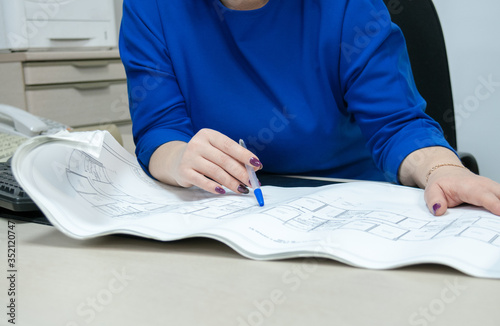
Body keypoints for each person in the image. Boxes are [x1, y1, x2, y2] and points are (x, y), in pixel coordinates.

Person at [119, 0, 500, 216]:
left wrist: (442, 168)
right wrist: (180, 159)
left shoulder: (347, 6)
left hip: (350, 207)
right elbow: (158, 129)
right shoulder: (151, 7)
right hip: (226, 213)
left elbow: (397, 124)